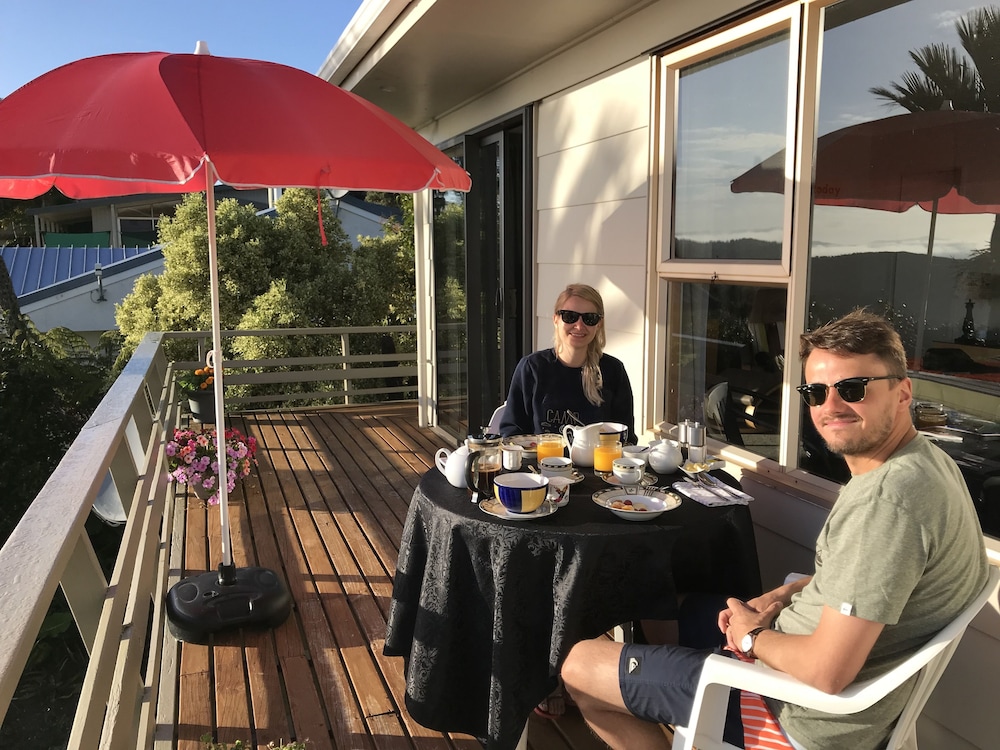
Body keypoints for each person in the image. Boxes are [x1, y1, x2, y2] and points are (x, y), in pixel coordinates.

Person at [560, 309, 989, 748]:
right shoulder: (926, 464)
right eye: (816, 392)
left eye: (853, 388)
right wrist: (787, 594)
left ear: (903, 392)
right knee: (664, 608)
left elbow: (828, 671)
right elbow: (878, 578)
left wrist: (752, 637)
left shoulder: (887, 504)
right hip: (797, 664)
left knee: (576, 665)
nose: (831, 406)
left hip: (789, 711)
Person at [499, 283, 635, 439]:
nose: (579, 326)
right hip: (540, 462)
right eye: (570, 316)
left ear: (599, 324)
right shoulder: (532, 368)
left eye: (589, 318)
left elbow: (626, 437)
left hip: (599, 463)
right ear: (556, 319)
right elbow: (511, 432)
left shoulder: (613, 371)